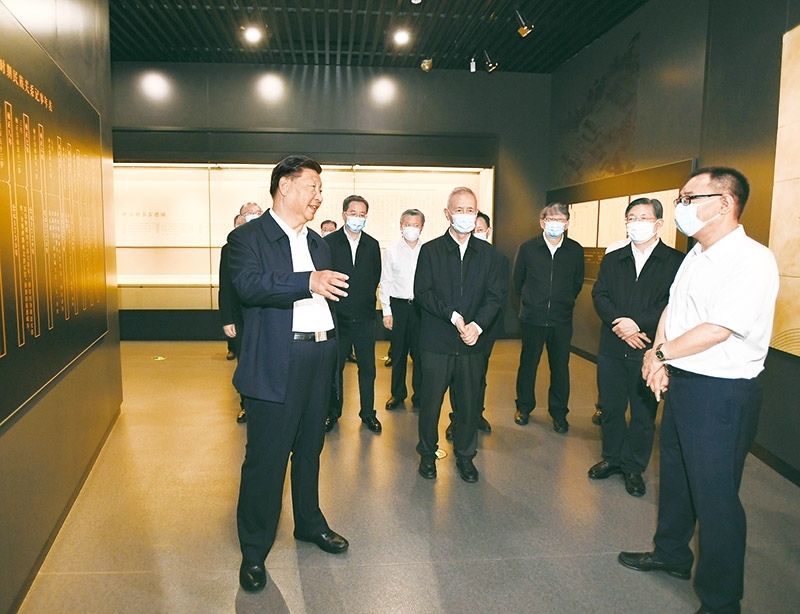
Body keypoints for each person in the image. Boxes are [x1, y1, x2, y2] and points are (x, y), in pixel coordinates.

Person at [619, 167, 779, 614]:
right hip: (685, 383)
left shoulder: (752, 259)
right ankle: (671, 554)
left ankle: (721, 600)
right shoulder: (696, 255)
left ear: (724, 203)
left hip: (722, 395)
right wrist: (657, 356)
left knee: (715, 497)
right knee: (676, 478)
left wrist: (661, 354)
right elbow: (673, 307)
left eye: (689, 199)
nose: (681, 208)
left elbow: (718, 328)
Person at [227, 155, 351, 593]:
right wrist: (307, 281)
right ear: (284, 185)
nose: (319, 195)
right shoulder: (248, 238)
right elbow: (249, 285)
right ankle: (254, 551)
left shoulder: (318, 241)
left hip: (321, 355)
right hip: (277, 361)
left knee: (310, 448)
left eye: (321, 188)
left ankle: (309, 523)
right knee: (267, 459)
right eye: (312, 186)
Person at [588, 197, 683, 496]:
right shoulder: (613, 258)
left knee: (643, 414)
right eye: (631, 218)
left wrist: (636, 324)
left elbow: (671, 303)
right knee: (612, 408)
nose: (636, 223)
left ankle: (633, 467)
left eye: (643, 218)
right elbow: (600, 294)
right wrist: (621, 324)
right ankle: (612, 458)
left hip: (648, 348)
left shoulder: (675, 261)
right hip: (613, 346)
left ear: (658, 224)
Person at [414, 187, 507, 483]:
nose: (465, 216)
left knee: (468, 405)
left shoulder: (489, 255)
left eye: (471, 210)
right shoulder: (431, 251)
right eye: (459, 210)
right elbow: (422, 293)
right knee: (430, 403)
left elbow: (495, 296)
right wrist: (453, 316)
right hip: (436, 342)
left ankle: (466, 457)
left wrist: (477, 326)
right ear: (447, 214)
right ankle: (427, 454)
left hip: (472, 343)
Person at [512, 203, 584, 433]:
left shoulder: (575, 250)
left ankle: (559, 413)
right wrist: (531, 302)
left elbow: (577, 283)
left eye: (561, 220)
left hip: (561, 320)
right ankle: (524, 407)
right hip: (532, 318)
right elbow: (517, 282)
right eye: (551, 219)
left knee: (560, 368)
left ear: (567, 224)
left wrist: (563, 302)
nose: (556, 224)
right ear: (542, 222)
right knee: (528, 365)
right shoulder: (527, 248)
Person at [325, 195, 383, 433]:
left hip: (365, 318)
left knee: (368, 369)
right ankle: (332, 412)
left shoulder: (372, 244)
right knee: (335, 369)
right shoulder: (329, 243)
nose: (357, 218)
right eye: (353, 213)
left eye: (362, 214)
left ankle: (368, 413)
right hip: (338, 319)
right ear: (344, 214)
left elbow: (375, 277)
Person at [445, 211, 505, 439]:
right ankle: (457, 418)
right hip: (460, 327)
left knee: (479, 374)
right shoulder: (457, 256)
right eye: (473, 228)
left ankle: (476, 414)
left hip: (485, 327)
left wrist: (479, 324)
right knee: (458, 375)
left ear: (488, 231)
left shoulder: (497, 258)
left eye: (480, 230)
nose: (476, 232)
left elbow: (499, 295)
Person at [381, 209, 425, 411]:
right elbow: (386, 281)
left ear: (422, 227)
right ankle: (397, 394)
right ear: (401, 226)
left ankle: (420, 395)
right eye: (408, 224)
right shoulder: (392, 250)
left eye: (416, 225)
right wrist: (386, 311)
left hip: (420, 308)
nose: (411, 228)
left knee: (420, 354)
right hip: (398, 306)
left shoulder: (427, 250)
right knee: (398, 354)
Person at [220, 212, 252, 423]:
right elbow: (225, 285)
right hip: (240, 315)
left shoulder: (269, 245)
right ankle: (246, 405)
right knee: (245, 363)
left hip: (267, 314)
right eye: (244, 219)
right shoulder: (229, 249)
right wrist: (227, 318)